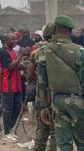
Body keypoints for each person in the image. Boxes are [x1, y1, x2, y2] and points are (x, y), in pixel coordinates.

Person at [37, 15, 84, 150]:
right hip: (78, 103)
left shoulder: (43, 51)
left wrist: (43, 106)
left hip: (57, 102)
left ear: (55, 29)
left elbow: (42, 83)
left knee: (63, 144)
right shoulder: (79, 51)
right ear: (70, 30)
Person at [26, 23, 56, 151]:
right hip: (58, 95)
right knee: (55, 131)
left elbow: (29, 75)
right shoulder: (64, 50)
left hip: (42, 95)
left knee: (43, 128)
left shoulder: (36, 52)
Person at [0, 33, 24, 143]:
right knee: (8, 109)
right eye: (12, 39)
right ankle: (6, 132)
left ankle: (10, 129)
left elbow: (17, 65)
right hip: (7, 84)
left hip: (17, 85)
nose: (15, 41)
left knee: (18, 107)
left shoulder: (13, 51)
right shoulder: (3, 52)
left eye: (16, 39)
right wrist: (20, 56)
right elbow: (10, 66)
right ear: (6, 40)